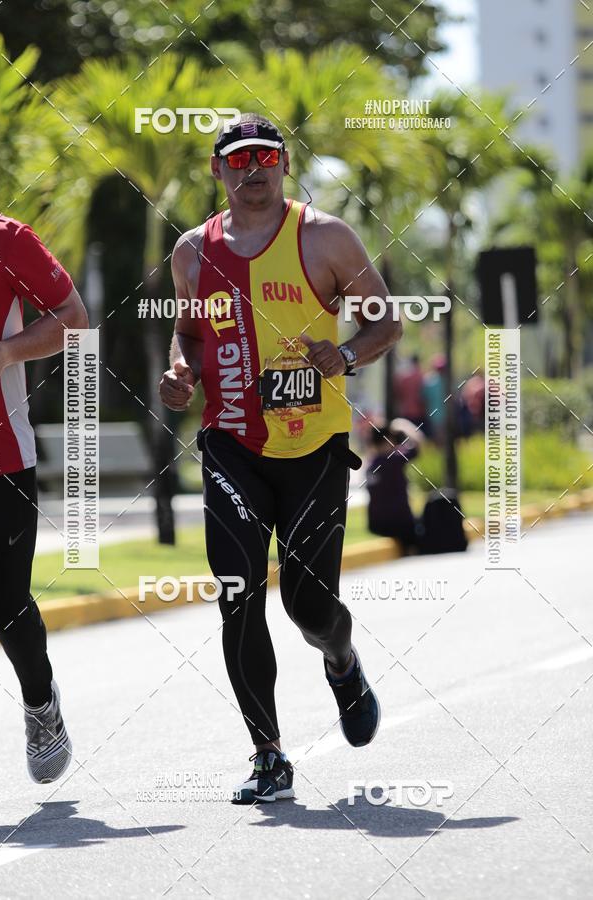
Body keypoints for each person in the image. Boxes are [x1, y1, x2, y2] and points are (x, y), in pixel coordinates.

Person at [159, 113, 402, 804]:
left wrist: (347, 353)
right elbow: (189, 332)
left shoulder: (323, 236)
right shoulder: (191, 252)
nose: (253, 170)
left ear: (285, 162)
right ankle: (268, 754)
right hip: (231, 444)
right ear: (219, 171)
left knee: (308, 606)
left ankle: (341, 659)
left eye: (265, 156)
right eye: (238, 161)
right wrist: (182, 371)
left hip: (314, 449)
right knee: (238, 598)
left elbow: (387, 319)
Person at [0, 212, 88, 782]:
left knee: (6, 604)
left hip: (2, 459)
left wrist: (4, 353)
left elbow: (73, 318)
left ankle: (39, 703)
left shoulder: (6, 241)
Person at [366, 423, 418, 550]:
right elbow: (419, 446)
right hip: (401, 523)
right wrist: (404, 425)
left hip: (376, 524)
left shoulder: (371, 465)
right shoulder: (394, 459)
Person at [394, 354, 425, 426]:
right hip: (419, 412)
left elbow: (398, 393)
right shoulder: (422, 377)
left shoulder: (405, 378)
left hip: (406, 411)